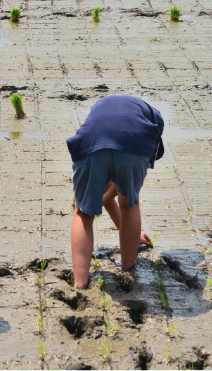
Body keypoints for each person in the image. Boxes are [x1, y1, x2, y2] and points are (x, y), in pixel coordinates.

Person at [66, 95, 164, 289]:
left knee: (83, 213)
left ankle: (79, 284)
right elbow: (118, 195)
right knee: (130, 203)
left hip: (91, 143)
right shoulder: (154, 119)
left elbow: (107, 195)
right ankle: (128, 270)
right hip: (135, 143)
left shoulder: (103, 110)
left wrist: (85, 202)